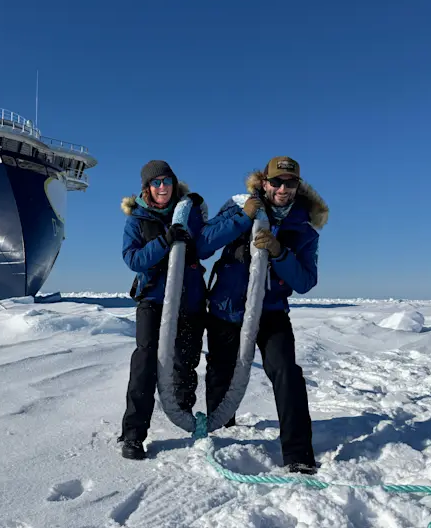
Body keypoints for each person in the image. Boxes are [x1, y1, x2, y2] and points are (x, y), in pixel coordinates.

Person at [205, 156, 328, 474]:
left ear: (297, 186)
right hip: (227, 310)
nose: (282, 189)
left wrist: (280, 252)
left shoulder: (304, 229)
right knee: (221, 373)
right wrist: (241, 221)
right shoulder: (238, 207)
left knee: (286, 372)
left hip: (270, 312)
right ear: (264, 182)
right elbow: (202, 245)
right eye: (277, 182)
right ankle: (221, 432)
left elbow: (304, 282)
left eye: (290, 183)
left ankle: (298, 454)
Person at [118, 160, 243, 460]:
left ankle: (183, 417)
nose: (162, 187)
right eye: (155, 182)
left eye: (166, 181)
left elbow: (206, 245)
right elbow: (134, 260)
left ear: (174, 183)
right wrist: (165, 240)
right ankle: (133, 434)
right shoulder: (137, 219)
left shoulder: (189, 213)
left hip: (190, 301)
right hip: (154, 301)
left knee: (185, 362)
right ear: (146, 188)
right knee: (145, 362)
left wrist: (240, 218)